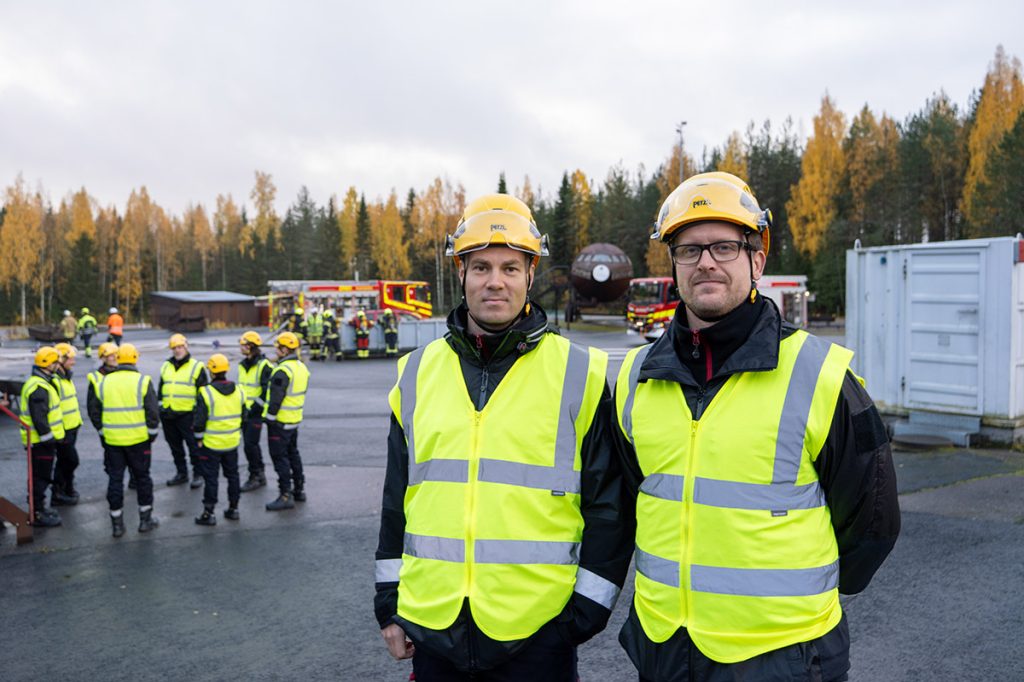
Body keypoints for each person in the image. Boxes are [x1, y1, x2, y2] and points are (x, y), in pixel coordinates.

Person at [613, 172, 901, 682]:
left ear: (757, 260)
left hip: (782, 656)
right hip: (665, 648)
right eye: (688, 250)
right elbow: (638, 497)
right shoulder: (636, 378)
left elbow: (872, 522)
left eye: (724, 247)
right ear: (674, 265)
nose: (705, 262)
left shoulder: (821, 377)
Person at [374, 194, 632, 680]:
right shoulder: (416, 373)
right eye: (481, 267)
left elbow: (610, 508)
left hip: (537, 634)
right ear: (462, 274)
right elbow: (396, 501)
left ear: (530, 276)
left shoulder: (579, 372)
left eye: (511, 268)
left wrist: (582, 616)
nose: (495, 281)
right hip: (434, 626)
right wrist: (390, 604)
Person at [87, 343, 161, 537]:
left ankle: (117, 524)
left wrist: (104, 432)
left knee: (115, 480)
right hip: (139, 441)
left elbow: (95, 412)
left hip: (113, 441)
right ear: (135, 358)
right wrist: (152, 434)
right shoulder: (142, 381)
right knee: (143, 479)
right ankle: (145, 520)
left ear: (118, 359)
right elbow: (153, 412)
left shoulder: (104, 382)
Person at [193, 354, 245, 525]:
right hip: (231, 443)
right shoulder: (239, 390)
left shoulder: (206, 392)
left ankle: (209, 513)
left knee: (211, 479)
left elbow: (199, 422)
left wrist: (199, 440)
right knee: (233, 476)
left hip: (211, 444)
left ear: (211, 372)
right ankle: (234, 509)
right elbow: (244, 416)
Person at [263, 331, 310, 511]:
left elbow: (276, 400)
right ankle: (299, 490)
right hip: (294, 420)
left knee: (280, 458)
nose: (276, 351)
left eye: (278, 348)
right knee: (293, 454)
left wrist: (268, 419)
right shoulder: (301, 368)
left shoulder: (282, 371)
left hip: (280, 423)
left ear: (284, 350)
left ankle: (285, 495)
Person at [19, 346, 65, 527]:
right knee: (40, 477)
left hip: (39, 441)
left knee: (40, 476)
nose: (57, 366)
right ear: (50, 364)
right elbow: (39, 418)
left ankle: (38, 508)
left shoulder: (41, 382)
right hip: (40, 442)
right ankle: (37, 512)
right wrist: (49, 439)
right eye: (56, 363)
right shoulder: (38, 387)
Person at [159, 333, 210, 488]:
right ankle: (181, 473)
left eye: (180, 347)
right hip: (169, 414)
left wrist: (199, 415)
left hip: (188, 415)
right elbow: (161, 389)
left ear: (186, 347)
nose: (177, 350)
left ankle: (198, 473)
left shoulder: (197, 366)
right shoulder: (166, 365)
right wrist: (161, 407)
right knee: (175, 447)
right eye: (174, 348)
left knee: (194, 447)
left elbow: (203, 395)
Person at [238, 330, 273, 492]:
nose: (241, 348)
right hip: (244, 412)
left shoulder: (264, 366)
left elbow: (267, 391)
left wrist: (255, 408)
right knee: (248, 445)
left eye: (244, 345)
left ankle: (257, 475)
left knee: (251, 445)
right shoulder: (242, 365)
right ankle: (257, 474)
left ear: (251, 346)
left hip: (255, 414)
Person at [50, 343, 83, 506]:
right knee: (70, 460)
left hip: (72, 427)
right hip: (63, 430)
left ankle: (67, 488)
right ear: (61, 359)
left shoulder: (66, 377)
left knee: (65, 461)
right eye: (70, 359)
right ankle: (57, 492)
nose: (73, 362)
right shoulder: (55, 381)